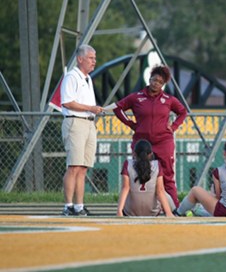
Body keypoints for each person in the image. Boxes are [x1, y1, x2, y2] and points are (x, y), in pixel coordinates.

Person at [113, 65, 187, 207]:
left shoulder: (168, 99)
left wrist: (173, 127)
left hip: (163, 141)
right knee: (137, 172)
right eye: (154, 80)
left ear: (163, 84)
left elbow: (183, 112)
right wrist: (130, 123)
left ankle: (175, 208)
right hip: (142, 142)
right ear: (149, 79)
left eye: (160, 82)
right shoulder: (137, 97)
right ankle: (135, 205)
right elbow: (118, 108)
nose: (156, 84)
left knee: (167, 175)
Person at [60, 44, 104, 216]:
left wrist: (93, 110)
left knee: (84, 167)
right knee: (74, 165)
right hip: (75, 122)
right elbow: (67, 102)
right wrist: (90, 108)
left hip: (88, 123)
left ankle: (79, 206)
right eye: (91, 58)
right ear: (80, 59)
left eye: (94, 58)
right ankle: (68, 205)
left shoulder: (88, 79)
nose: (94, 61)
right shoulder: (72, 76)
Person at [175, 139, 226, 217]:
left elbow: (218, 197)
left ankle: (178, 213)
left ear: (224, 153)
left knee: (195, 190)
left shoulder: (219, 171)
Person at [116, 140, 174, 217]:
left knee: (127, 191)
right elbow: (160, 191)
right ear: (151, 154)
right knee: (165, 194)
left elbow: (125, 188)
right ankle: (176, 211)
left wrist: (119, 210)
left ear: (134, 153)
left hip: (131, 212)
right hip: (152, 212)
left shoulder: (128, 164)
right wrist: (168, 213)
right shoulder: (157, 165)